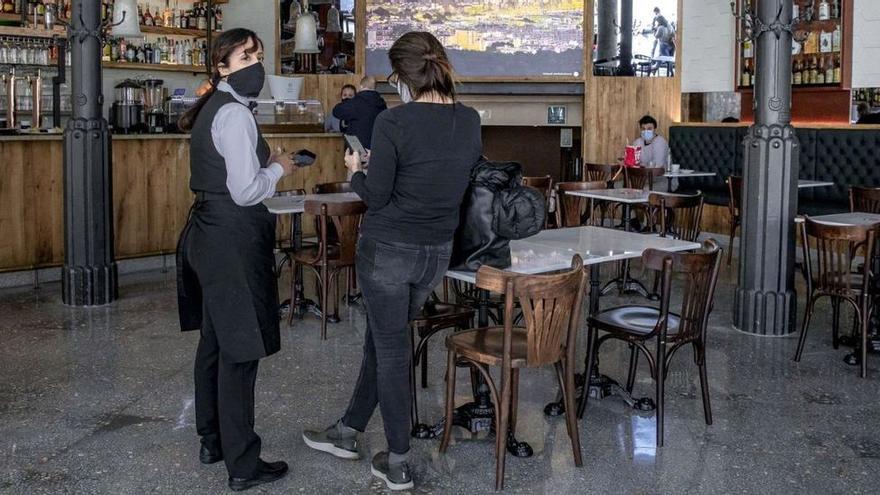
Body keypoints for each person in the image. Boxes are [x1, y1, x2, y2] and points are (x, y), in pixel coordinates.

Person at [302, 32, 482, 491]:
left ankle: (397, 459)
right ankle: (348, 431)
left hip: (388, 252)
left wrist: (356, 170)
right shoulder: (470, 121)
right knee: (385, 341)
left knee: (391, 349)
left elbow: (378, 196)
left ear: (402, 77)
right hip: (434, 256)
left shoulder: (395, 123)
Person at [176, 28, 297, 492]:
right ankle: (243, 463)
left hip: (207, 234)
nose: (256, 64)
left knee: (213, 340)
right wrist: (280, 168)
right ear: (222, 66)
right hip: (230, 237)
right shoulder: (234, 116)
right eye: (246, 56)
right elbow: (246, 190)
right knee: (240, 349)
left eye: (259, 56)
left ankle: (212, 439)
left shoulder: (216, 107)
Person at [332, 75, 388, 149]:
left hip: (358, 148)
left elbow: (336, 111)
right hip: (377, 147)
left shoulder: (356, 103)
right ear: (374, 88)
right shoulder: (382, 104)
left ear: (361, 86)